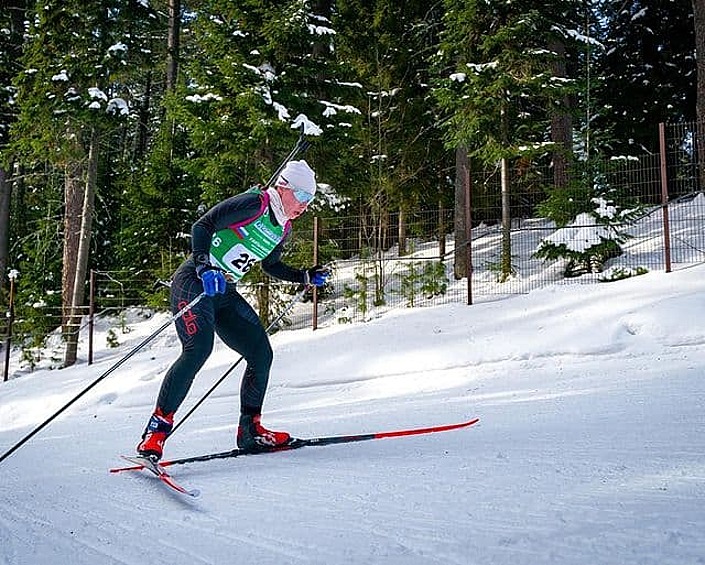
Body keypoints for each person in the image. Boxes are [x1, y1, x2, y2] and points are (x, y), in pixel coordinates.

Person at [136, 160, 330, 460]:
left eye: (310, 200)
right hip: (194, 282)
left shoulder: (283, 227)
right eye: (302, 197)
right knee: (198, 350)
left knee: (261, 353)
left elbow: (270, 265)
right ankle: (155, 432)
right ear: (284, 187)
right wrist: (203, 265)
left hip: (225, 292)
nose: (305, 206)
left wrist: (304, 276)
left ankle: (250, 431)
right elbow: (202, 225)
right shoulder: (256, 203)